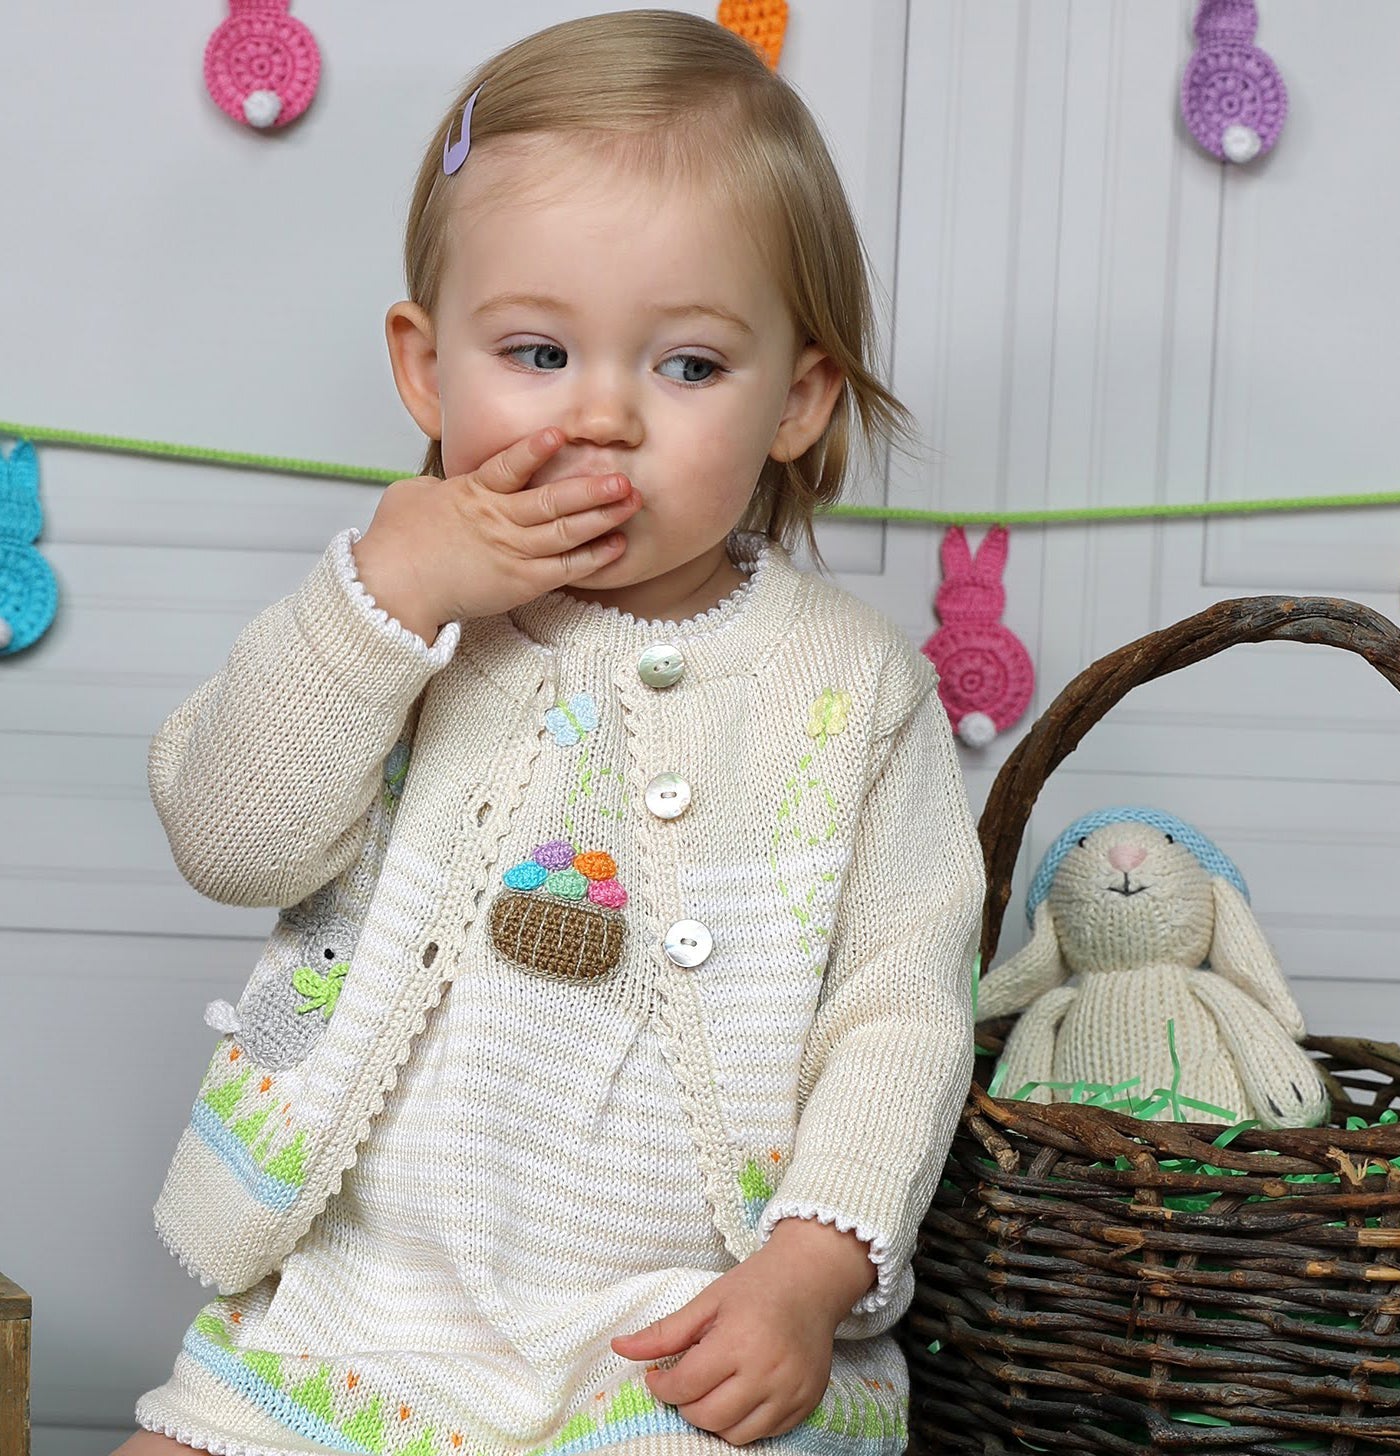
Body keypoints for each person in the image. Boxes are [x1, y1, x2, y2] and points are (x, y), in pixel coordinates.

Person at [116, 10, 984, 1454]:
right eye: (534, 350)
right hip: (359, 1315)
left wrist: (809, 1271)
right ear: (425, 367)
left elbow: (902, 1008)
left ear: (799, 397)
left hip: (683, 1332)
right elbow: (228, 836)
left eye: (690, 368)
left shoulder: (852, 686)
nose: (602, 417)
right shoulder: (388, 619)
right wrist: (388, 600)